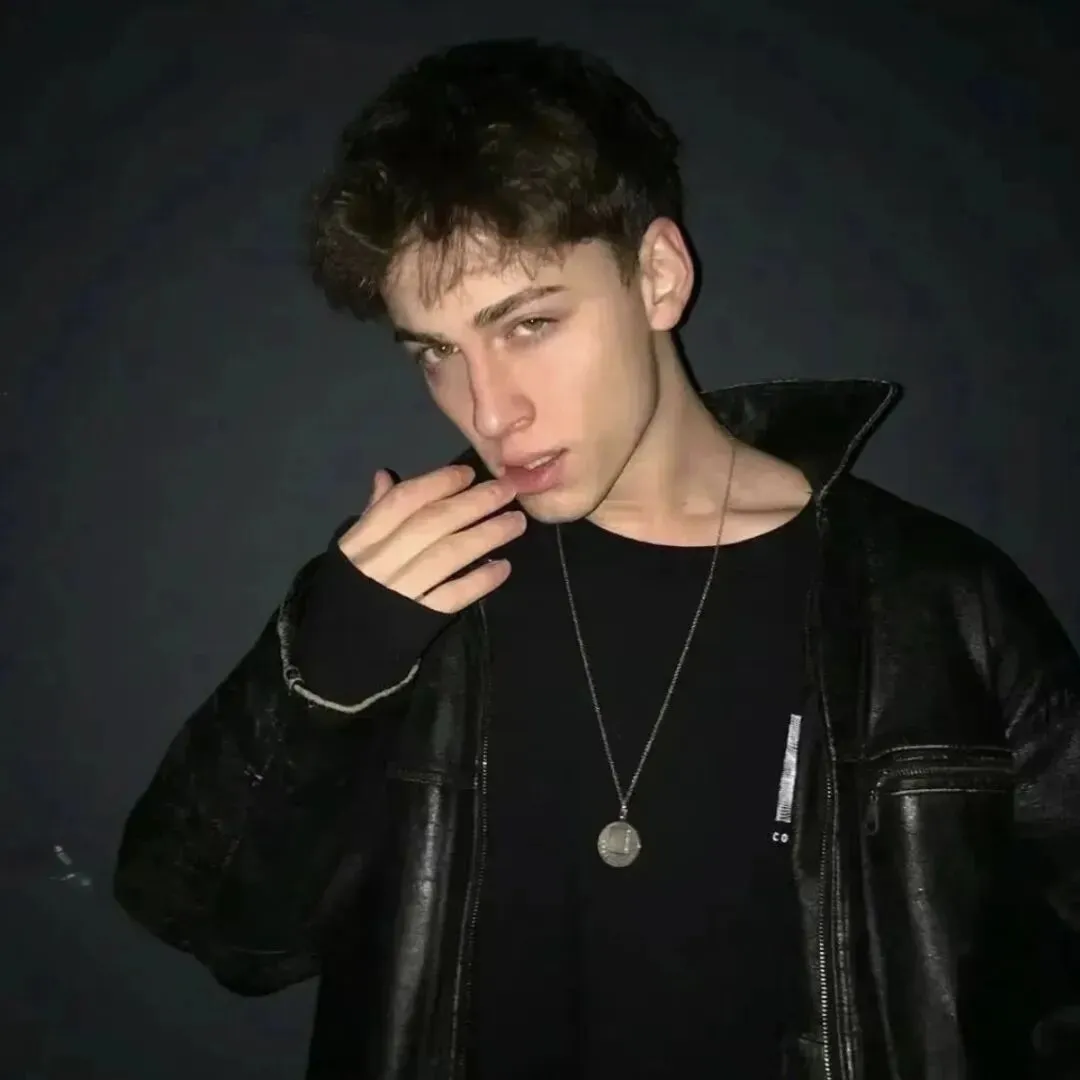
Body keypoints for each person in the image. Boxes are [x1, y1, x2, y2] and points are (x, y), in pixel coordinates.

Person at [113, 37, 1080, 1080]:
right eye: (436, 352)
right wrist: (328, 677)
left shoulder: (938, 604)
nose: (489, 410)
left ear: (658, 275)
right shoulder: (410, 586)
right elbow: (229, 937)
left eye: (528, 324)